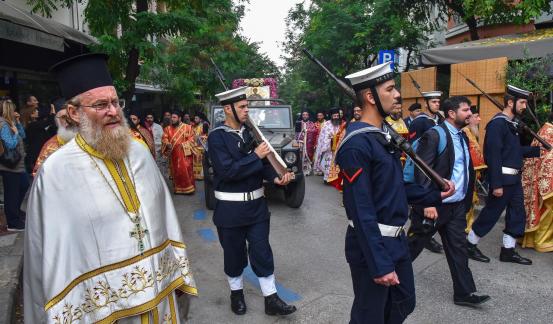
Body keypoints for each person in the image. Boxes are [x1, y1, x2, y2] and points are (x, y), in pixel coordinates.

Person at [24, 53, 197, 323]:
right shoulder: (56, 172)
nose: (114, 111)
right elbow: (45, 256)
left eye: (116, 102)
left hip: (160, 300)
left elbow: (166, 221)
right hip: (102, 312)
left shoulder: (139, 152)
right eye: (101, 104)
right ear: (73, 112)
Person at [337, 62, 454, 324]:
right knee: (370, 316)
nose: (398, 94)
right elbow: (361, 210)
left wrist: (434, 195)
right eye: (390, 89)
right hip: (372, 245)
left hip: (396, 241)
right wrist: (379, 263)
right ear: (370, 97)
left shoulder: (381, 136)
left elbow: (393, 188)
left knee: (403, 302)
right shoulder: (356, 145)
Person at [208, 87, 297, 316]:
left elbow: (265, 165)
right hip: (230, 209)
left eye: (247, 106)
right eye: (242, 107)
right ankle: (236, 294)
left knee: (262, 251)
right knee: (234, 254)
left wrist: (277, 177)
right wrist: (254, 156)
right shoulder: (216, 137)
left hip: (256, 207)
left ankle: (271, 299)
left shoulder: (250, 134)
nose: (247, 111)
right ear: (228, 109)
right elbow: (227, 171)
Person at [407, 96, 490, 307]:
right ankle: (386, 280)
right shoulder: (435, 135)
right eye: (465, 110)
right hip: (434, 206)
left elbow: (462, 170)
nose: (470, 114)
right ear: (452, 114)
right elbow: (422, 171)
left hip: (455, 206)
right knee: (412, 246)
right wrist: (427, 204)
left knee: (458, 249)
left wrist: (465, 201)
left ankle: (464, 292)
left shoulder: (462, 135)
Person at [467, 85, 542, 265]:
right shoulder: (497, 124)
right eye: (522, 102)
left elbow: (514, 152)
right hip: (503, 179)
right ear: (510, 102)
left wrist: (540, 151)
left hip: (514, 180)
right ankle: (469, 244)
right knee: (491, 214)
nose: (525, 106)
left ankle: (508, 251)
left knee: (517, 214)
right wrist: (497, 184)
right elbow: (493, 156)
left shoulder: (511, 124)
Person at [407, 92, 445, 254]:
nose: (437, 104)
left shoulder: (438, 121)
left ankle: (425, 235)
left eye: (438, 102)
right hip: (421, 169)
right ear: (426, 103)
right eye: (434, 102)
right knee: (421, 210)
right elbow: (413, 148)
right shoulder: (419, 122)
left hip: (436, 170)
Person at [521, 111, 553, 252]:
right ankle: (542, 240)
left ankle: (533, 239)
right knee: (547, 209)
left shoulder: (545, 131)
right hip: (544, 181)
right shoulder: (549, 132)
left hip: (537, 179)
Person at [0, 99, 29, 231]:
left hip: (18, 164)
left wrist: (18, 124)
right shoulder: (3, 124)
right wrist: (15, 133)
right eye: (13, 110)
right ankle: (12, 222)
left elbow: (23, 135)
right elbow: (10, 144)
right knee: (12, 193)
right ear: (8, 110)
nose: (15, 112)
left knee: (24, 185)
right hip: (9, 165)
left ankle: (16, 214)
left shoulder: (10, 123)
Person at [32, 101, 78, 177]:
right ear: (57, 122)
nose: (69, 120)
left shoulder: (87, 139)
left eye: (71, 116)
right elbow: (38, 175)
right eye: (64, 117)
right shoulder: (50, 147)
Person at [463, 106, 486, 232]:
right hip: (467, 173)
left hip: (474, 173)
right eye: (476, 116)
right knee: (467, 199)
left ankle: (468, 224)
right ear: (469, 118)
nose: (479, 119)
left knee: (471, 199)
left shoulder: (471, 132)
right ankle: (464, 225)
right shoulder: (465, 132)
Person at [162, 111, 197, 194]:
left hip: (185, 154)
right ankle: (178, 188)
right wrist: (167, 143)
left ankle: (189, 188)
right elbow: (164, 138)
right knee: (176, 171)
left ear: (179, 118)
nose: (172, 119)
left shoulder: (188, 127)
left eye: (174, 117)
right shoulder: (167, 128)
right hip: (174, 154)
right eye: (172, 117)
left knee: (186, 171)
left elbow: (192, 139)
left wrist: (184, 145)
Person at [23, 101, 56, 174]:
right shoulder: (32, 125)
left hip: (39, 152)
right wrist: (53, 111)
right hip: (36, 153)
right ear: (31, 115)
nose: (37, 111)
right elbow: (48, 122)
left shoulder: (34, 124)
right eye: (35, 111)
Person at [313, 108, 342, 180]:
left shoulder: (341, 124)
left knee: (336, 164)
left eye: (337, 116)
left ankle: (334, 179)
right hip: (328, 149)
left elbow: (342, 134)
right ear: (331, 116)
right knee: (328, 164)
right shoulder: (326, 124)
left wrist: (337, 137)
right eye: (334, 116)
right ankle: (327, 179)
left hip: (338, 149)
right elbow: (322, 137)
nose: (336, 117)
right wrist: (330, 139)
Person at [192, 113, 208, 180]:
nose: (195, 120)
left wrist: (198, 138)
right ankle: (195, 175)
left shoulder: (203, 126)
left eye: (196, 118)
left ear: (200, 119)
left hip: (200, 147)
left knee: (200, 162)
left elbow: (206, 136)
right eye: (195, 118)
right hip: (194, 147)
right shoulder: (194, 126)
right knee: (195, 162)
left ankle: (200, 176)